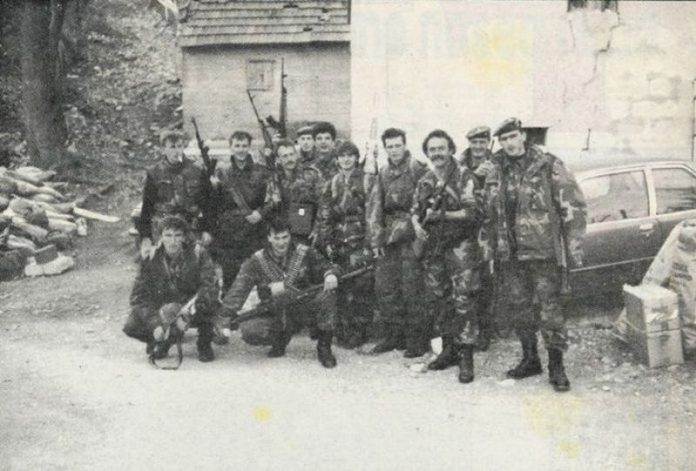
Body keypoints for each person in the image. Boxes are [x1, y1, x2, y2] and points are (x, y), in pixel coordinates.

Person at [485, 117, 586, 392]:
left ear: (523, 136)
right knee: (519, 307)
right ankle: (530, 359)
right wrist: (491, 249)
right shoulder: (496, 169)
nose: (509, 143)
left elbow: (573, 207)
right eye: (503, 139)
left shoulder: (548, 164)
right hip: (510, 254)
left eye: (512, 136)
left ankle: (556, 366)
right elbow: (490, 213)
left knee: (549, 310)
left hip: (543, 252)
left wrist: (573, 247)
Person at [217, 217, 340, 367]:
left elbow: (328, 266)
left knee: (327, 295)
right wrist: (223, 318)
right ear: (269, 238)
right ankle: (280, 338)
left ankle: (324, 347)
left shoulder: (304, 252)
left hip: (304, 307)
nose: (281, 243)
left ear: (290, 236)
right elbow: (238, 291)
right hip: (277, 311)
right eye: (276, 238)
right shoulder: (257, 261)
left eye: (285, 237)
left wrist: (330, 274)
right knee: (250, 330)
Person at [411, 130, 484, 384]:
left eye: (441, 148)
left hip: (460, 247)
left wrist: (443, 216)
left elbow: (474, 212)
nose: (437, 154)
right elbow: (415, 209)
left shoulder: (463, 176)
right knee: (439, 299)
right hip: (435, 248)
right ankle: (449, 350)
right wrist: (416, 225)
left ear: (450, 149)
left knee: (463, 299)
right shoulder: (426, 180)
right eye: (432, 150)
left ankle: (466, 357)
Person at [366, 128, 429, 357]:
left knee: (412, 289)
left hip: (411, 236)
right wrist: (376, 240)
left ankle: (416, 341)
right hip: (389, 237)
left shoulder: (418, 169)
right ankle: (394, 336)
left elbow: (426, 205)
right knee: (386, 288)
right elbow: (375, 208)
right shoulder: (383, 173)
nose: (394, 150)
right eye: (390, 146)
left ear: (405, 145)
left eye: (397, 145)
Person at [123, 215, 220, 362]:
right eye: (168, 235)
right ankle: (162, 340)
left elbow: (210, 286)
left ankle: (204, 343)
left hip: (193, 305)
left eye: (177, 235)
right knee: (132, 325)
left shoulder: (198, 253)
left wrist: (189, 311)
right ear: (160, 237)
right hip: (166, 307)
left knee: (210, 304)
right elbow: (138, 297)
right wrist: (155, 324)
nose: (173, 241)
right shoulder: (151, 257)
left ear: (184, 237)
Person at [317, 140, 374, 349]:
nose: (346, 160)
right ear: (337, 160)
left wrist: (370, 243)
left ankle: (360, 331)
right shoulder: (332, 183)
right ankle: (342, 329)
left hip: (360, 241)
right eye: (342, 156)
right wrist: (327, 241)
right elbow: (325, 215)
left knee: (361, 287)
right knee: (340, 287)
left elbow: (373, 214)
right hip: (339, 242)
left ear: (356, 158)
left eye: (350, 155)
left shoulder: (368, 180)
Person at [208, 131, 276, 289]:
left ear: (249, 147)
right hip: (230, 233)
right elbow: (215, 204)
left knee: (260, 274)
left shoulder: (262, 171)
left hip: (254, 231)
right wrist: (213, 187)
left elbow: (273, 198)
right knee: (231, 277)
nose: (241, 150)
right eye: (237, 146)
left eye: (244, 146)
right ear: (231, 147)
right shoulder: (222, 172)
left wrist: (261, 213)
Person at [137, 130, 209, 258]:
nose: (176, 151)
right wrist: (146, 237)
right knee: (153, 259)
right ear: (163, 149)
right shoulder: (154, 173)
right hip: (164, 226)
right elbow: (147, 207)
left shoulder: (197, 170)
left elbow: (208, 204)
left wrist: (207, 230)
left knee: (196, 258)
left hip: (190, 226)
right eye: (172, 147)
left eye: (179, 146)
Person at [458, 125, 496, 351]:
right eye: (475, 142)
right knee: (466, 283)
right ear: (469, 143)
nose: (479, 147)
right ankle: (467, 332)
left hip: (489, 232)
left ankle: (486, 331)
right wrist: (475, 176)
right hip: (465, 232)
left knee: (487, 284)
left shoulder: (496, 163)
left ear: (488, 142)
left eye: (483, 142)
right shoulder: (460, 165)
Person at [269, 139, 325, 245]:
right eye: (285, 156)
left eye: (291, 154)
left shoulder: (312, 175)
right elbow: (269, 209)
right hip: (284, 235)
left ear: (296, 155)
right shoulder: (274, 179)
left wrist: (317, 228)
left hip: (308, 232)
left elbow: (323, 203)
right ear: (278, 159)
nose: (289, 159)